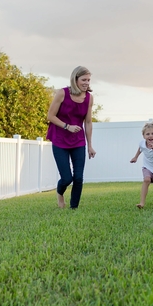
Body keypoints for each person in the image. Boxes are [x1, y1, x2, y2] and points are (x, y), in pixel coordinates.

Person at [46, 66, 96, 209]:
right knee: (67, 178)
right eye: (83, 80)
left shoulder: (89, 98)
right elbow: (50, 116)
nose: (87, 83)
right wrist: (67, 126)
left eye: (88, 80)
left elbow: (88, 122)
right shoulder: (62, 93)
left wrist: (90, 145)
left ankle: (73, 208)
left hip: (78, 141)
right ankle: (60, 193)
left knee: (79, 178)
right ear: (75, 79)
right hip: (60, 139)